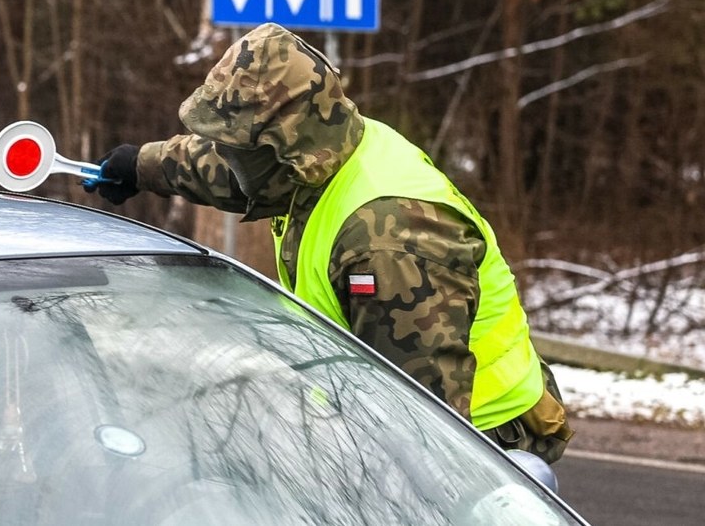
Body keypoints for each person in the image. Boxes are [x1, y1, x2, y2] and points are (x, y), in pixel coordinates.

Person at [85, 23, 572, 463]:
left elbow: (420, 434)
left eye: (240, 148)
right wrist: (141, 165)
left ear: (285, 145)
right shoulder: (323, 153)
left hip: (487, 445)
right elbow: (234, 170)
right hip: (392, 420)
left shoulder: (389, 241)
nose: (228, 158)